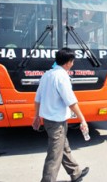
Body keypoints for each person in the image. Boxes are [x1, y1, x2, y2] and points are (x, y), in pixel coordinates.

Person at [32, 47, 89, 182]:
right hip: (56, 122)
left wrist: (36, 116)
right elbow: (71, 101)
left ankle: (75, 173)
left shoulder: (47, 75)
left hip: (48, 121)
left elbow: (37, 98)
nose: (73, 64)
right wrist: (83, 120)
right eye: (72, 61)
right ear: (68, 62)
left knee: (63, 148)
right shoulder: (62, 76)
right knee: (54, 156)